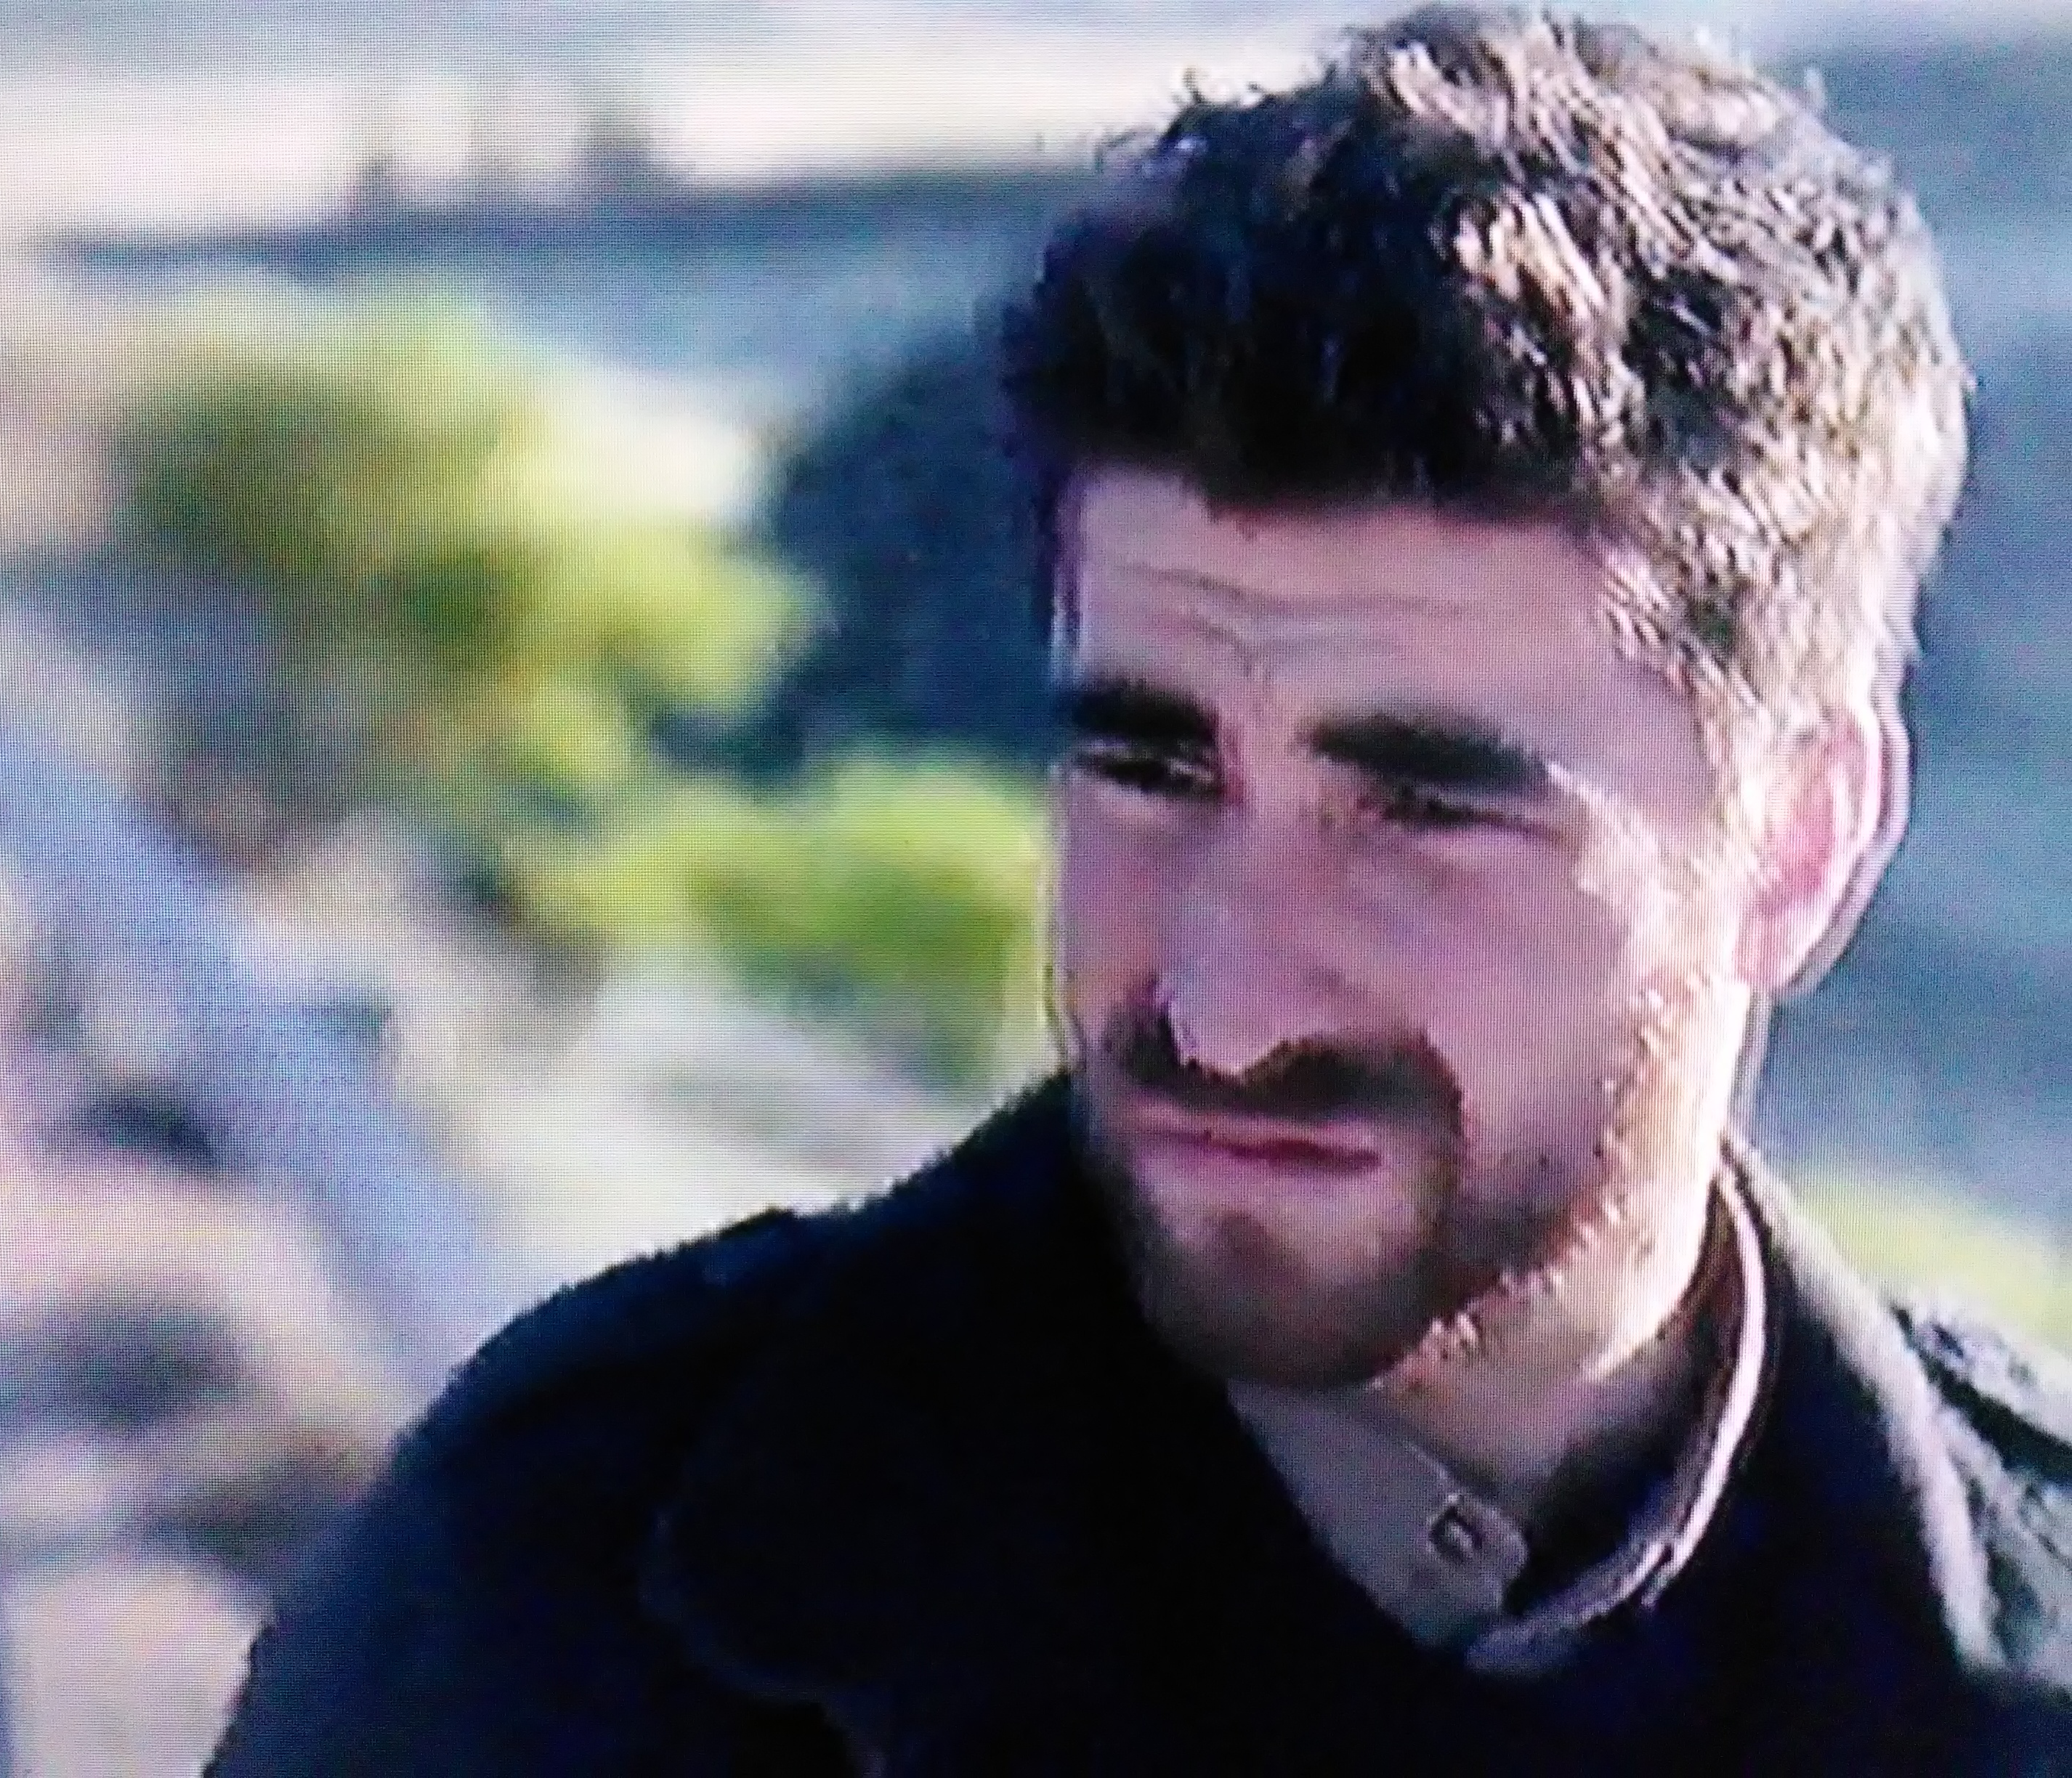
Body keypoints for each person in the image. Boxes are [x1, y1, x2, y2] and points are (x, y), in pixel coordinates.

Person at [209, 8, 2071, 1771]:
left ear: (1802, 838)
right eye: (1151, 769)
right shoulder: (561, 1606)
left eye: (1421, 813)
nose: (1228, 1004)